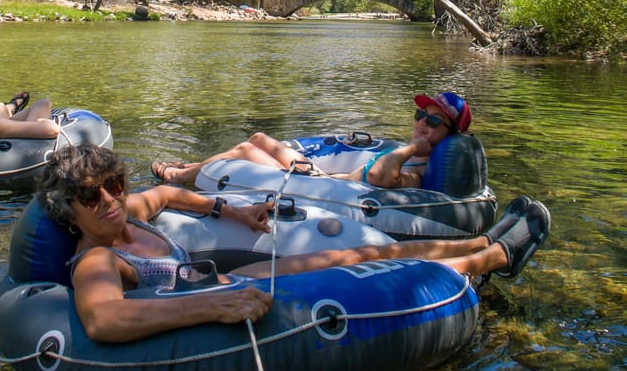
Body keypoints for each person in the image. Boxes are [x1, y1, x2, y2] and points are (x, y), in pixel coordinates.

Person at [38, 144, 551, 343]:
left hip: (224, 278)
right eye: (90, 195)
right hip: (216, 293)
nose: (108, 199)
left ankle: (480, 239)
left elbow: (172, 192)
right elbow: (105, 319)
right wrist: (211, 306)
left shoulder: (127, 213)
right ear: (69, 208)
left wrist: (230, 209)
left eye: (116, 184)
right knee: (368, 267)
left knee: (366, 252)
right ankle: (491, 258)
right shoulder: (97, 258)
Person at [151, 91, 472, 188]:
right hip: (322, 177)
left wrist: (413, 147)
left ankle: (179, 176)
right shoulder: (410, 156)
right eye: (420, 116)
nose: (421, 124)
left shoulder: (420, 171)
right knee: (259, 137)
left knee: (245, 150)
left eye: (433, 121)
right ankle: (195, 166)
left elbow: (377, 176)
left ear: (449, 134)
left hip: (321, 190)